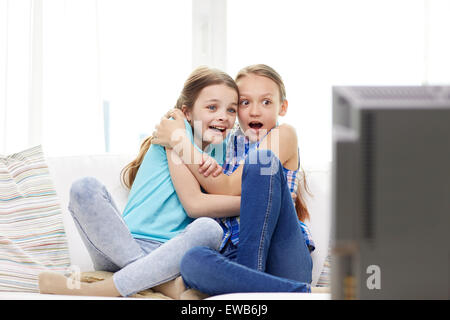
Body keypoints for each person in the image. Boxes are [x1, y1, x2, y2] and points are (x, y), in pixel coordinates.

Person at [37, 66, 242, 298]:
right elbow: (193, 203)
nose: (223, 116)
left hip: (171, 253)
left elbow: (228, 190)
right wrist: (249, 202)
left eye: (231, 110)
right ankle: (157, 283)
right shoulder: (176, 130)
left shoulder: (226, 150)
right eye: (212, 107)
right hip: (122, 244)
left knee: (209, 229)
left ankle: (119, 283)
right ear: (187, 112)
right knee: (84, 187)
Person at [152, 64, 316, 296]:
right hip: (233, 254)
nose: (255, 111)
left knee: (260, 160)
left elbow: (228, 187)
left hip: (284, 257)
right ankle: (293, 292)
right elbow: (196, 203)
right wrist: (179, 130)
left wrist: (179, 142)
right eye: (245, 102)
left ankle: (248, 290)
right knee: (192, 260)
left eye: (266, 102)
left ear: (283, 107)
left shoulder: (284, 135)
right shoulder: (224, 143)